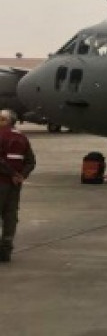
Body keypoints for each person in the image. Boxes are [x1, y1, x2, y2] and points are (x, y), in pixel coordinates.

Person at [0, 109, 36, 262]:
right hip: (15, 185)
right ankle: (6, 249)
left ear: (5, 120)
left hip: (2, 181)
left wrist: (12, 174)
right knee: (10, 215)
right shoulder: (22, 137)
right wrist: (21, 175)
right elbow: (31, 161)